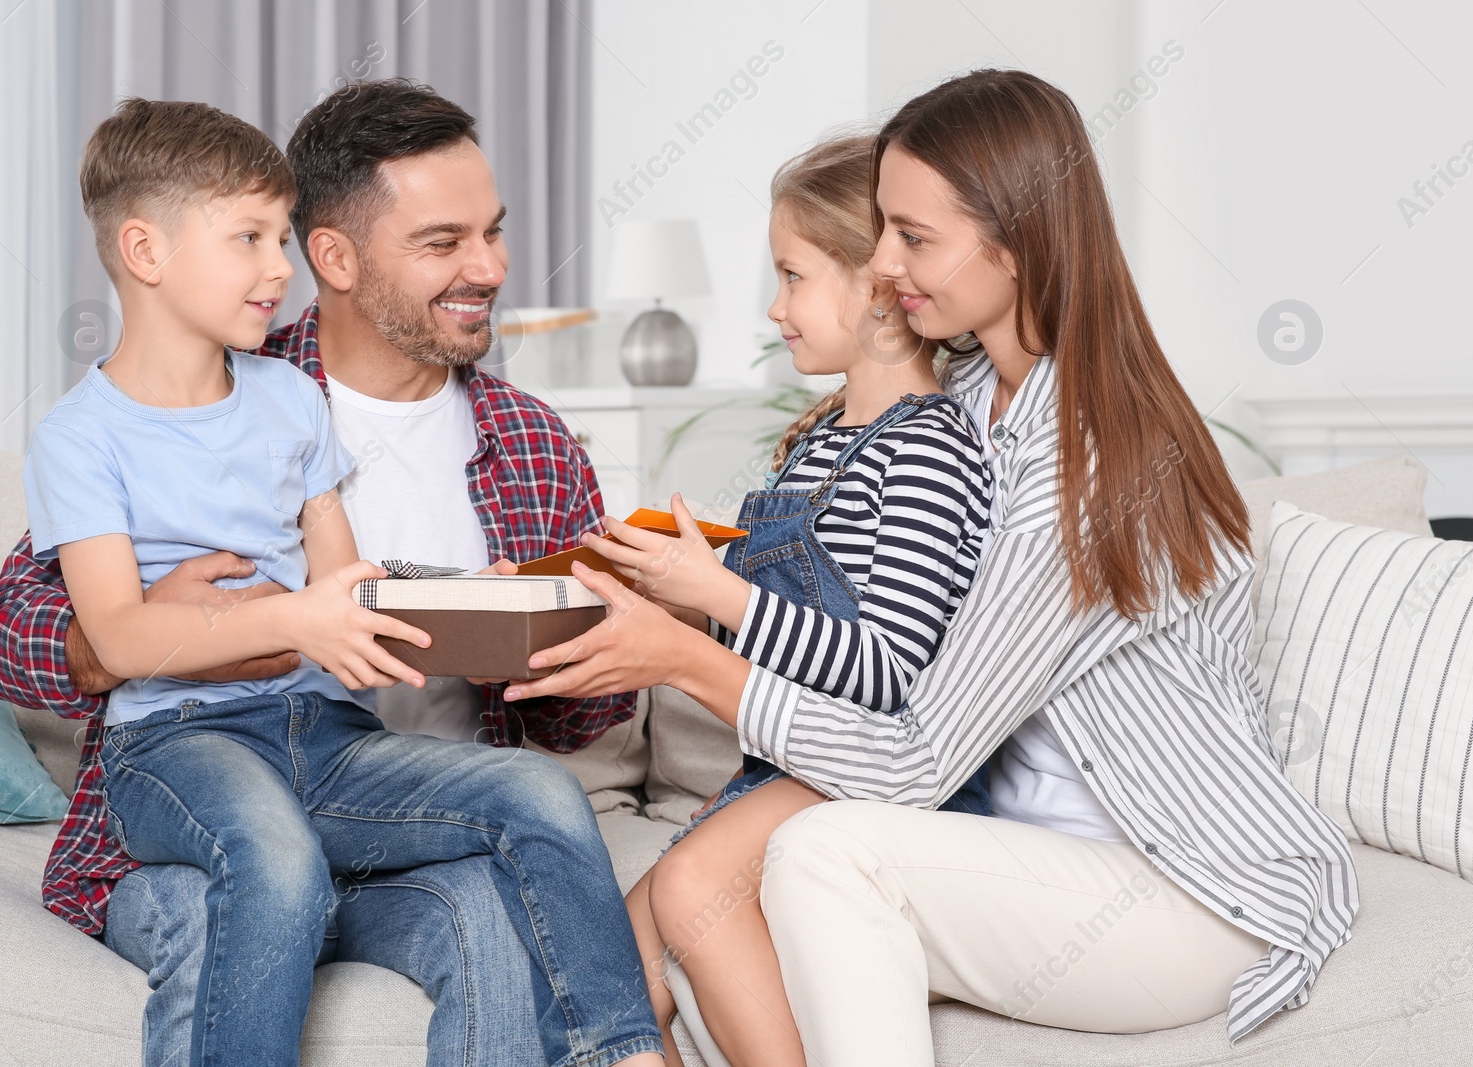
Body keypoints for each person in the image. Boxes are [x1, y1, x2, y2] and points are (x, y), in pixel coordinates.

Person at [501, 68, 1359, 1067]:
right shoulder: (977, 406)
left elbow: (913, 758)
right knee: (674, 916)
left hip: (1186, 881)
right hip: (1032, 852)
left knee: (822, 852)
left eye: (913, 238)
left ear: (1013, 238)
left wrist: (680, 658)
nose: (885, 265)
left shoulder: (1082, 468)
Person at [0, 83, 662, 1067]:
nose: (492, 267)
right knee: (257, 877)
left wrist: (548, 631)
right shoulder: (216, 379)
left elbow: (571, 714)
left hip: (373, 788)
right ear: (336, 257)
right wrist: (148, 637)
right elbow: (0, 634)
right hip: (201, 775)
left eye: (494, 233)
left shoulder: (533, 445)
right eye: (443, 241)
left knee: (506, 878)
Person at [580, 134, 991, 1067]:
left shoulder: (925, 450)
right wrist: (678, 590)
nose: (774, 308)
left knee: (687, 889)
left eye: (792, 276)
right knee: (608, 964)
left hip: (865, 774)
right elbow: (783, 630)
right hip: (777, 773)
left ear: (880, 288)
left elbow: (886, 670)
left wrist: (720, 594)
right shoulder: (813, 445)